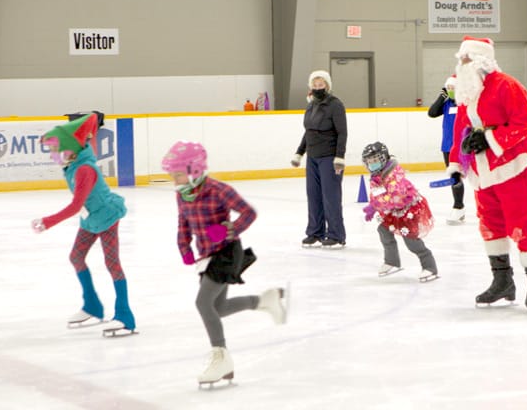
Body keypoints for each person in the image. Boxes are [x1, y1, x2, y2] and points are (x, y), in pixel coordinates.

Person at [163, 141, 287, 387]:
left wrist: (229, 229)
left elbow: (248, 213)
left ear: (194, 170)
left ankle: (221, 358)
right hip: (207, 256)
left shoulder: (218, 190)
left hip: (228, 252)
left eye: (177, 175)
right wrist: (184, 246)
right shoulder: (182, 195)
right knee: (217, 308)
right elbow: (183, 223)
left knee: (203, 303)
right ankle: (264, 300)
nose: (174, 180)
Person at [447, 36, 527, 311]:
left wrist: (491, 137)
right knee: (490, 224)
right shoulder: (467, 93)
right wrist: (457, 164)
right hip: (482, 172)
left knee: (521, 223)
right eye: (461, 59)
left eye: (466, 58)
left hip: (511, 167)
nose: (462, 63)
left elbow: (525, 122)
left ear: (481, 60)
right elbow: (459, 131)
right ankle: (502, 282)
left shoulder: (506, 85)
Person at [31, 113, 137, 337]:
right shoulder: (73, 165)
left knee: (112, 264)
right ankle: (92, 306)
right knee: (76, 257)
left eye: (54, 149)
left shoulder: (84, 170)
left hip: (106, 216)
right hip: (90, 218)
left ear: (69, 149)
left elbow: (75, 205)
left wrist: (47, 222)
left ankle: (125, 316)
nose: (52, 155)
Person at [361, 142, 438, 282]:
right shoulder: (376, 176)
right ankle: (392, 261)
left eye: (375, 160)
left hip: (408, 211)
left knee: (411, 240)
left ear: (384, 158)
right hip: (393, 211)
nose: (372, 163)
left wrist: (377, 205)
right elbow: (377, 193)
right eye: (369, 161)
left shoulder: (394, 176)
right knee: (383, 230)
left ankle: (430, 267)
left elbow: (396, 199)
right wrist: (373, 204)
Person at [291, 69, 348, 249]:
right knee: (314, 196)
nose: (317, 87)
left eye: (321, 84)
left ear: (327, 85)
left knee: (331, 197)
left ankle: (336, 235)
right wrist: (299, 153)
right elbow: (308, 132)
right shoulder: (311, 105)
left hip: (329, 158)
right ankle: (315, 232)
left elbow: (342, 133)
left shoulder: (335, 105)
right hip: (313, 158)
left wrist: (339, 157)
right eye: (314, 85)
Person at [428, 74, 465, 224]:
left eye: (452, 88)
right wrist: (441, 96)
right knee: (454, 177)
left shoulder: (465, 103)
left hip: (465, 147)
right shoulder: (447, 104)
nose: (450, 90)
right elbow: (432, 113)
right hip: (448, 147)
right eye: (448, 88)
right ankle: (458, 207)